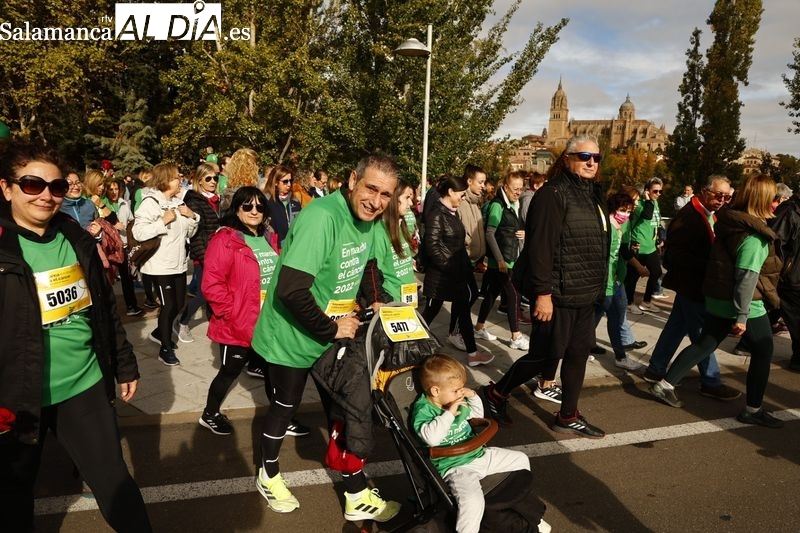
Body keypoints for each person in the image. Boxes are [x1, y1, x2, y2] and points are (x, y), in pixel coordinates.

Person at [0, 140, 151, 532]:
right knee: (13, 498)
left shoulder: (76, 238)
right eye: (33, 185)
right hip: (15, 398)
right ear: (7, 188)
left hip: (82, 386)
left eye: (57, 187)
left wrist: (123, 362)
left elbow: (101, 310)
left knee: (115, 482)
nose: (46, 196)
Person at [250, 153, 402, 521]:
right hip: (291, 333)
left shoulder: (370, 221)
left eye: (386, 195)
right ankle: (267, 474)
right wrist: (332, 327)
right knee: (285, 407)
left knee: (345, 407)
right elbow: (290, 290)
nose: (376, 202)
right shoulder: (322, 217)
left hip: (331, 329)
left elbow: (365, 268)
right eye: (370, 189)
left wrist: (377, 301)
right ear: (352, 180)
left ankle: (355, 492)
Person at [482, 134, 608, 437]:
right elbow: (540, 248)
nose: (591, 162)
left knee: (577, 354)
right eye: (584, 157)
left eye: (596, 158)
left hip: (585, 293)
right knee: (544, 355)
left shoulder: (593, 194)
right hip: (558, 293)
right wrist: (543, 294)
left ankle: (568, 416)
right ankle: (496, 393)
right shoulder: (553, 194)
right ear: (567, 159)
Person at [648, 174, 783, 428]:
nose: (778, 203)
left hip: (719, 298)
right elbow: (746, 278)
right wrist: (742, 316)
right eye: (775, 198)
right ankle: (753, 409)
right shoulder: (754, 236)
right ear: (764, 200)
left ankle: (665, 383)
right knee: (764, 350)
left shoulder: (731, 222)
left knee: (705, 343)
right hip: (744, 303)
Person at [411, 354, 549, 533]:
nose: (460, 392)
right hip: (455, 467)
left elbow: (476, 415)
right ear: (436, 391)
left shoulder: (454, 399)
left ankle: (525, 512)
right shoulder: (424, 410)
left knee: (520, 459)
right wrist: (449, 414)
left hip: (478, 454)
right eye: (456, 390)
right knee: (472, 502)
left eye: (462, 388)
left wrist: (474, 396)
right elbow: (431, 438)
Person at [643, 176, 741, 401]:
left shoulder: (708, 213)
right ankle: (711, 380)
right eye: (719, 195)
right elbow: (673, 256)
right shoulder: (689, 216)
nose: (723, 200)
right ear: (705, 192)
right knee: (703, 338)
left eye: (727, 197)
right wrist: (711, 265)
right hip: (693, 284)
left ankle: (656, 368)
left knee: (677, 326)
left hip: (693, 284)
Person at [422, 175, 494, 367]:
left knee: (463, 310)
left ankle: (472, 353)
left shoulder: (451, 212)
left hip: (456, 274)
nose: (462, 198)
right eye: (461, 194)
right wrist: (449, 267)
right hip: (440, 278)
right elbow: (433, 247)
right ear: (450, 192)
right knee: (429, 313)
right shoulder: (437, 213)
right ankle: (410, 344)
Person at [133, 162, 199, 366]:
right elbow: (138, 232)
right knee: (168, 305)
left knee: (179, 304)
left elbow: (189, 232)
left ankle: (157, 332)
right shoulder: (151, 203)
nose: (180, 180)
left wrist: (192, 217)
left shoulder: (179, 202)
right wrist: (162, 221)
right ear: (165, 180)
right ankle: (165, 348)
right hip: (159, 266)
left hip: (178, 264)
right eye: (177, 177)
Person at [474, 171, 530, 351]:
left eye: (521, 189)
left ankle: (479, 327)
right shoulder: (498, 206)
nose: (518, 192)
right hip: (503, 260)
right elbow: (490, 233)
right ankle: (516, 336)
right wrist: (499, 260)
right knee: (513, 296)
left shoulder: (514, 204)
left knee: (491, 294)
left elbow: (511, 228)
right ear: (505, 187)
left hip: (507, 257)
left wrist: (523, 234)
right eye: (515, 189)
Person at [594, 192, 646, 371]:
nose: (625, 214)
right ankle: (577, 347)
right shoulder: (604, 226)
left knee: (616, 319)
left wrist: (637, 265)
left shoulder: (623, 226)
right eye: (622, 210)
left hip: (617, 281)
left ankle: (621, 356)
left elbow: (624, 251)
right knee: (592, 318)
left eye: (629, 211)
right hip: (604, 282)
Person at [174, 162, 221, 343]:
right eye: (208, 178)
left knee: (215, 290)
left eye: (215, 178)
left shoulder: (215, 200)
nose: (212, 181)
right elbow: (196, 232)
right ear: (199, 181)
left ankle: (214, 320)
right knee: (204, 292)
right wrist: (204, 256)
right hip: (203, 253)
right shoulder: (194, 201)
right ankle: (182, 321)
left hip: (215, 252)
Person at [360, 179, 417, 305]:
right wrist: (384, 300)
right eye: (407, 197)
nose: (411, 202)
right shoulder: (380, 231)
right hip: (392, 304)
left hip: (407, 299)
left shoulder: (401, 226)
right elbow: (373, 273)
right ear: (394, 200)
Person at [624, 178, 664, 314]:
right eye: (655, 191)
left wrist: (659, 238)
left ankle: (646, 301)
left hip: (651, 246)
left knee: (657, 272)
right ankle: (628, 302)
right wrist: (647, 200)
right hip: (638, 245)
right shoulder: (640, 204)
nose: (658, 194)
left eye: (660, 191)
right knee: (633, 276)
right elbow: (647, 216)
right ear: (647, 191)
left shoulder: (655, 203)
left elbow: (656, 222)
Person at [771, 186, 800, 371]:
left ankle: (747, 344)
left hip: (794, 275)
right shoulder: (789, 211)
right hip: (790, 277)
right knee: (796, 318)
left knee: (775, 309)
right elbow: (775, 242)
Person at [105, 178, 143, 316]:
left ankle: (132, 306)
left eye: (116, 189)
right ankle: (109, 311)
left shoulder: (124, 204)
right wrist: (113, 226)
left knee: (127, 279)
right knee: (107, 280)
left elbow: (131, 222)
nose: (114, 192)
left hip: (123, 246)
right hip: (108, 249)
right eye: (111, 189)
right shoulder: (102, 205)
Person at [263, 165, 301, 250]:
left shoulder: (295, 201)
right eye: (285, 181)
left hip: (294, 248)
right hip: (274, 249)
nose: (289, 184)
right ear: (275, 182)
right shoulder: (266, 201)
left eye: (291, 181)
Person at [59, 171, 101, 238]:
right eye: (70, 184)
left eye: (78, 182)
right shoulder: (58, 207)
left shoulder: (89, 204)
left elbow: (99, 222)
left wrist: (99, 231)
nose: (76, 187)